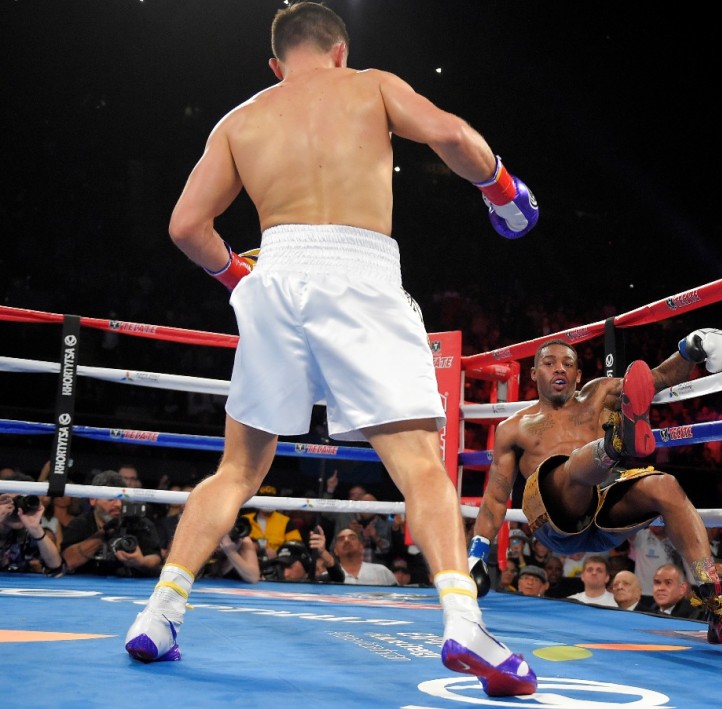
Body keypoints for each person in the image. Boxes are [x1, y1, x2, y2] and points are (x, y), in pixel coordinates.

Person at [124, 3, 538, 696]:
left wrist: (238, 275)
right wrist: (502, 189)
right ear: (340, 52)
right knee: (418, 464)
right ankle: (463, 622)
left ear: (276, 64)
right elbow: (451, 134)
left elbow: (186, 226)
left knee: (237, 470)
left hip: (276, 275)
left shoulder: (239, 120)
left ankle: (160, 612)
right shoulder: (370, 85)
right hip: (358, 269)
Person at [468, 335, 722, 644]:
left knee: (665, 485)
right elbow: (496, 497)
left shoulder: (599, 394)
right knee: (570, 467)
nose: (559, 370)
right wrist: (476, 556)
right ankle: (612, 445)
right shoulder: (514, 427)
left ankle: (717, 608)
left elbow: (656, 378)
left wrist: (689, 350)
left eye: (568, 364)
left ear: (578, 375)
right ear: (535, 374)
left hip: (604, 511)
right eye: (549, 364)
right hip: (555, 521)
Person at [63, 470, 163, 578]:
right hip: (85, 584)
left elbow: (156, 559)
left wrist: (140, 561)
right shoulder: (81, 524)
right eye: (111, 499)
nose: (118, 504)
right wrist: (103, 535)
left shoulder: (138, 522)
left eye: (121, 498)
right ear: (93, 499)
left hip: (128, 586)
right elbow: (68, 561)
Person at [0, 491, 65, 576]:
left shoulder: (27, 535)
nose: (15, 509)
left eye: (19, 501)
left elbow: (56, 569)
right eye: (8, 502)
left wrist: (36, 529)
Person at [636, 563, 703, 619]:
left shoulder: (695, 616)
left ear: (682, 589)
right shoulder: (650, 611)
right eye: (657, 582)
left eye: (668, 583)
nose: (660, 588)